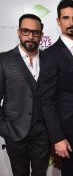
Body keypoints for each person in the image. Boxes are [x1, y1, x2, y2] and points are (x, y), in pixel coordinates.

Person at [40, 0, 73, 176]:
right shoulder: (50, 54)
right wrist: (57, 137)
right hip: (68, 132)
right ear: (58, 21)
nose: (71, 23)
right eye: (66, 18)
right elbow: (47, 100)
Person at [0, 14, 50, 176]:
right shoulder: (4, 60)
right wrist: (4, 128)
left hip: (43, 132)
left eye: (35, 32)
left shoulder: (48, 59)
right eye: (26, 31)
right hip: (14, 132)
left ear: (41, 35)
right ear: (18, 32)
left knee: (40, 173)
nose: (30, 36)